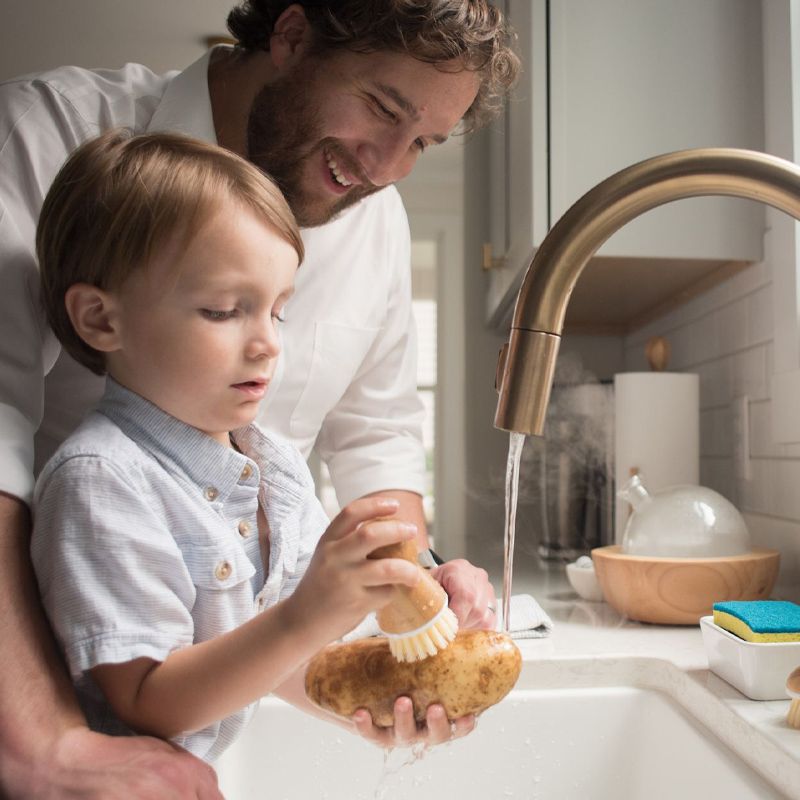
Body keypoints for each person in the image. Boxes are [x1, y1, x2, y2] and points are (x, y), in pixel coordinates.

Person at [0, 1, 518, 796]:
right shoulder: (46, 131)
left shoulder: (267, 461)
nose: (386, 168)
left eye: (422, 143)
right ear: (291, 34)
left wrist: (410, 622)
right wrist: (36, 742)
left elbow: (376, 438)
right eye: (383, 108)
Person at [31, 127, 467, 765]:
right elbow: (146, 702)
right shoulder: (101, 481)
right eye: (223, 311)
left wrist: (364, 706)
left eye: (277, 310)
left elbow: (269, 658)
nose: (267, 343)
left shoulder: (274, 467)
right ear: (102, 319)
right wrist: (307, 616)